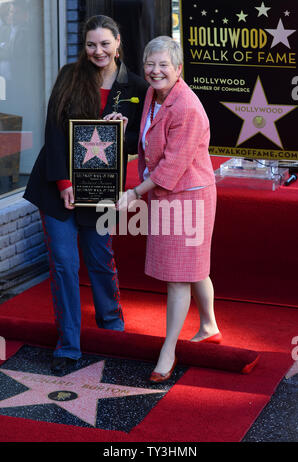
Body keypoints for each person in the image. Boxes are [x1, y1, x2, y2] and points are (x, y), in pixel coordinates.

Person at [24, 15, 148, 373]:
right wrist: (64, 184)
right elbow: (53, 131)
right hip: (57, 188)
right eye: (91, 44)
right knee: (64, 266)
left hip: (101, 190)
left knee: (100, 261)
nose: (98, 51)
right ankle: (68, 346)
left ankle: (113, 331)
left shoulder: (136, 86)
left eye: (105, 44)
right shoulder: (68, 76)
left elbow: (141, 141)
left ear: (118, 42)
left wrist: (126, 131)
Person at [117, 36, 221, 383]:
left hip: (188, 195)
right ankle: (208, 325)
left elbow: (172, 167)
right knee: (193, 267)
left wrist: (134, 193)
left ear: (179, 69)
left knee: (178, 276)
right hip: (165, 193)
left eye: (164, 65)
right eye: (150, 64)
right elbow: (149, 142)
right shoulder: (151, 94)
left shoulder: (188, 107)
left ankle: (168, 349)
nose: (156, 71)